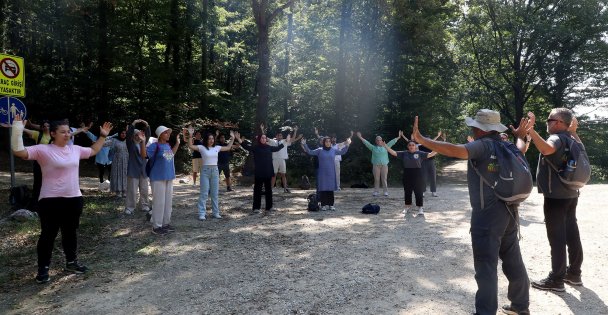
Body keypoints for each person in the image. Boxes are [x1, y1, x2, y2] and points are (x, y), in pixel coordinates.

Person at [411, 109, 530, 315]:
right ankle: (520, 306)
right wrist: (520, 136)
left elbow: (455, 150)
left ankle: (485, 312)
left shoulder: (482, 145)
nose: (472, 128)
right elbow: (522, 148)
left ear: (481, 129)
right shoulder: (507, 144)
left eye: (474, 126)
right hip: (510, 210)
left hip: (487, 215)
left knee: (485, 266)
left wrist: (422, 139)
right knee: (513, 259)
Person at [11, 114, 113, 284]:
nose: (67, 135)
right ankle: (43, 269)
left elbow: (94, 150)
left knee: (70, 233)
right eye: (63, 132)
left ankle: (71, 262)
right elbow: (18, 151)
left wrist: (102, 136)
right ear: (52, 134)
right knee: (48, 235)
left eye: (69, 132)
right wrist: (17, 129)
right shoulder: (43, 149)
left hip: (73, 199)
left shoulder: (75, 149)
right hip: (50, 200)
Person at [522, 108, 584, 292]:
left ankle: (556, 280)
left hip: (556, 196)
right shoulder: (573, 138)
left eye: (550, 119)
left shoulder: (556, 138)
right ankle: (574, 274)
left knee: (556, 237)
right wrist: (573, 130)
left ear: (559, 123)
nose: (547, 122)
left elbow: (546, 149)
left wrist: (531, 131)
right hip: (571, 193)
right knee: (572, 232)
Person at [185, 127, 236, 220]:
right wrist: (191, 135)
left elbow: (228, 147)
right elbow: (191, 146)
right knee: (204, 193)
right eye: (209, 138)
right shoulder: (201, 147)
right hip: (205, 171)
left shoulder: (217, 147)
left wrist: (232, 138)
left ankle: (216, 213)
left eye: (212, 138)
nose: (211, 140)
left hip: (215, 171)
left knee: (214, 193)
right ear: (206, 140)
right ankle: (201, 213)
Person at [385, 135, 437, 216]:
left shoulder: (420, 153)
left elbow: (431, 154)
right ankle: (407, 207)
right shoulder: (404, 153)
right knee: (407, 191)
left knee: (418, 191)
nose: (411, 146)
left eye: (413, 145)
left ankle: (420, 208)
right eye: (410, 145)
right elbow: (393, 153)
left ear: (415, 146)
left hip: (418, 173)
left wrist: (439, 148)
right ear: (408, 146)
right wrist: (386, 146)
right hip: (407, 173)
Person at [235, 129, 284, 214]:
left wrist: (286, 141)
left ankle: (269, 207)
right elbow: (246, 147)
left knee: (269, 190)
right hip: (259, 172)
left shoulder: (269, 147)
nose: (263, 139)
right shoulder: (256, 147)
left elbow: (278, 148)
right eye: (262, 138)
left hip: (268, 171)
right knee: (257, 190)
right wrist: (239, 140)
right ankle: (256, 208)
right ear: (259, 139)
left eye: (265, 138)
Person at [146, 125, 180, 235]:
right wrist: (142, 142)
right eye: (166, 133)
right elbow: (144, 155)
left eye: (169, 133)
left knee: (167, 202)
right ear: (160, 135)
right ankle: (156, 226)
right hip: (157, 177)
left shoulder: (167, 145)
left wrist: (178, 144)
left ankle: (165, 224)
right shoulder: (154, 146)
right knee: (159, 202)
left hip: (168, 177)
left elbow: (170, 157)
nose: (168, 134)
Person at [301, 136, 350, 210]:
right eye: (326, 141)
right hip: (322, 173)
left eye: (329, 141)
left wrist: (347, 145)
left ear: (331, 142)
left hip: (331, 172)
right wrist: (304, 144)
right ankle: (323, 205)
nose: (328, 143)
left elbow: (342, 152)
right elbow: (310, 152)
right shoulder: (319, 150)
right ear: (324, 142)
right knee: (323, 188)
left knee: (330, 189)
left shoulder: (333, 150)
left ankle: (331, 205)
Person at [356, 131, 400, 196]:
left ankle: (385, 191)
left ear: (382, 141)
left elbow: (392, 141)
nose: (379, 141)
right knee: (376, 179)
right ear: (376, 141)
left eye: (380, 140)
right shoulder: (373, 147)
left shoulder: (386, 146)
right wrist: (360, 137)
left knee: (384, 178)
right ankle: (376, 191)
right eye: (377, 140)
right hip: (376, 165)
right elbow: (366, 143)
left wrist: (398, 137)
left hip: (384, 165)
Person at [125, 119, 151, 215]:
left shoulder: (143, 143)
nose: (138, 136)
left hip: (143, 170)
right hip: (133, 170)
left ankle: (144, 205)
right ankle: (130, 207)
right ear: (133, 136)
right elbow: (128, 135)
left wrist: (147, 125)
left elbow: (147, 135)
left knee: (144, 189)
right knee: (132, 190)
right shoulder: (130, 144)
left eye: (139, 134)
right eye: (136, 135)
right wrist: (133, 124)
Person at [268, 126, 301, 193]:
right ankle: (270, 189)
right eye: (278, 135)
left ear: (282, 136)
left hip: (282, 159)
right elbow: (266, 138)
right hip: (275, 159)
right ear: (276, 136)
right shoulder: (273, 141)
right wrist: (262, 130)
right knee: (274, 175)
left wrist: (295, 131)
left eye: (281, 135)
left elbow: (293, 139)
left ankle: (285, 188)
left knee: (283, 174)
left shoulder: (284, 141)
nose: (280, 136)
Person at [419, 131, 444, 198]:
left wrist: (438, 136)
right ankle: (423, 191)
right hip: (423, 162)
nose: (428, 140)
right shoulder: (420, 146)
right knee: (423, 177)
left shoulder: (432, 145)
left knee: (433, 177)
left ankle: (433, 191)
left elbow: (434, 142)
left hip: (431, 162)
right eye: (426, 139)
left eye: (429, 139)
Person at [108, 128, 129, 198]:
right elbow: (105, 143)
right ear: (119, 134)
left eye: (125, 133)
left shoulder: (128, 141)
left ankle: (125, 191)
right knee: (117, 174)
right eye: (122, 133)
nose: (123, 134)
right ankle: (118, 191)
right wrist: (97, 143)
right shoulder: (114, 140)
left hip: (126, 160)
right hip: (117, 161)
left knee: (125, 174)